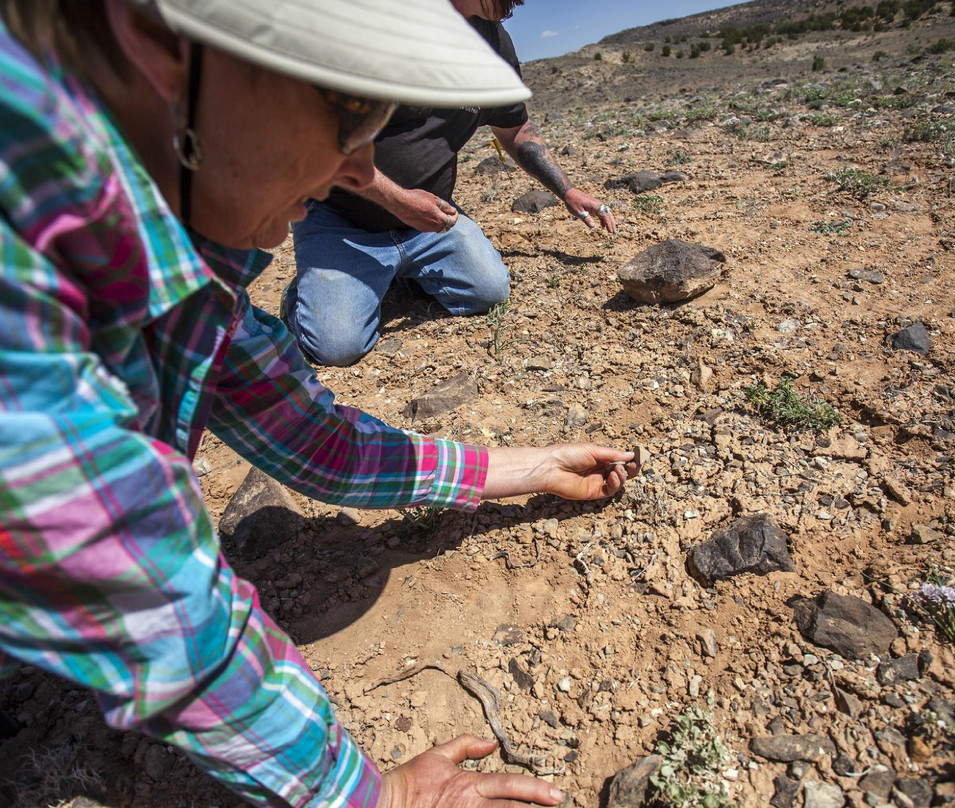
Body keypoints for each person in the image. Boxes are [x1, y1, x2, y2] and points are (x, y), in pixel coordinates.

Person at [0, 1, 640, 807]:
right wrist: (373, 798)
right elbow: (150, 597)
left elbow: (320, 443)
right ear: (159, 40)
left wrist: (537, 465)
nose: (359, 166)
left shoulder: (156, 238)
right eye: (353, 108)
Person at [281, 0, 618, 367]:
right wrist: (399, 202)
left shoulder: (493, 45)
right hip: (342, 219)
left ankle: (396, 274)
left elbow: (516, 129)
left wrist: (565, 189)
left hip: (428, 222)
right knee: (336, 347)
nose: (514, 6)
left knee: (488, 291)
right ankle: (305, 296)